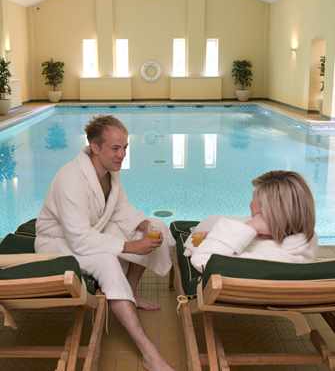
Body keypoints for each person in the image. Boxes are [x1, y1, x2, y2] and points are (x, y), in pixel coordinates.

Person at [35, 115, 174, 371]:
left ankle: (130, 291)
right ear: (95, 147)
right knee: (108, 261)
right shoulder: (71, 178)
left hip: (90, 231)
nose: (122, 154)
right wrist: (130, 247)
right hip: (58, 242)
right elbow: (78, 239)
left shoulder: (109, 172)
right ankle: (148, 352)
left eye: (125, 148)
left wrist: (145, 226)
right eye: (115, 148)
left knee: (156, 228)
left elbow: (121, 210)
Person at [184, 170, 318, 272]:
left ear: (267, 212)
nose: (250, 204)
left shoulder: (259, 262)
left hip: (240, 303)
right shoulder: (305, 242)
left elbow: (201, 260)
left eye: (254, 199)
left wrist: (250, 226)